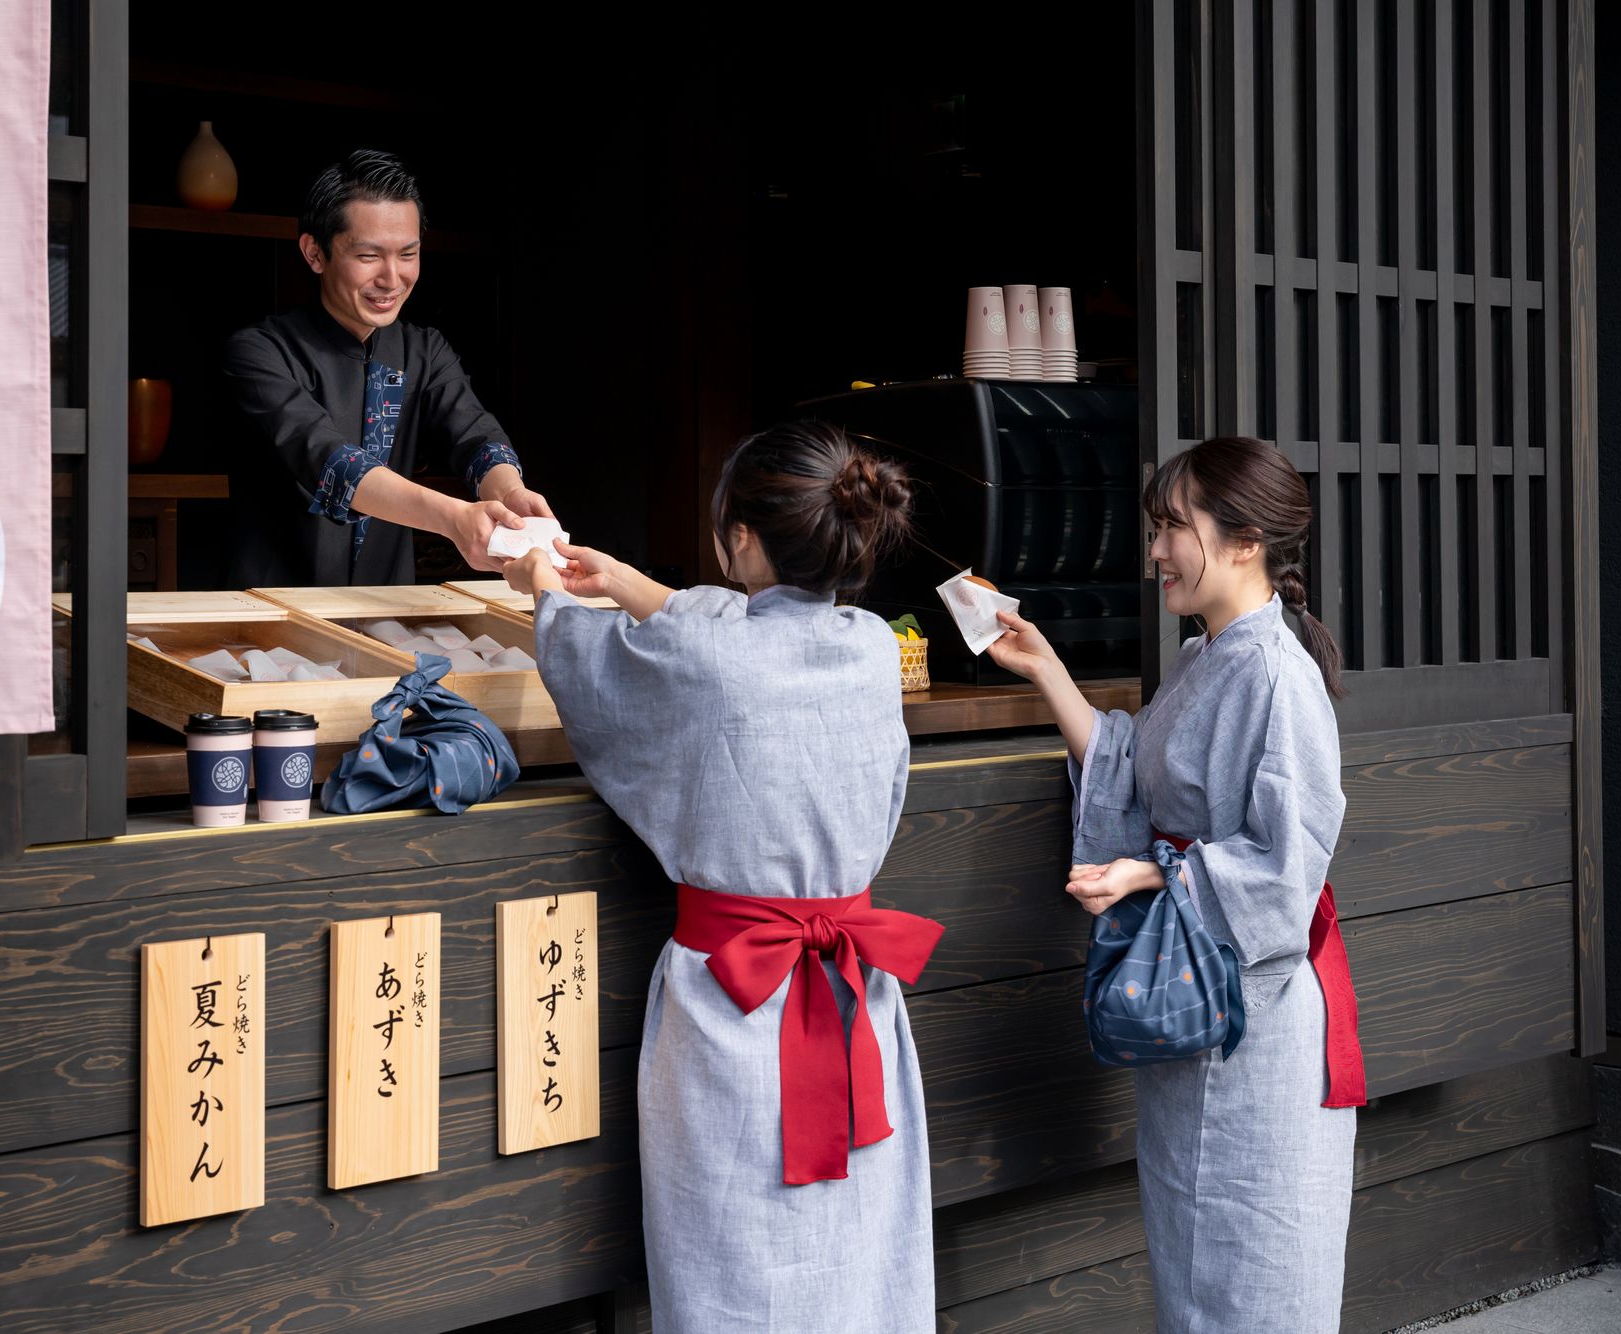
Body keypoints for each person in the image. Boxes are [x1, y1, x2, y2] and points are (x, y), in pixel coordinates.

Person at [502, 420, 942, 1332]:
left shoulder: (707, 657)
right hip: (858, 997)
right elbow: (741, 638)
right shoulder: (866, 648)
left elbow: (614, 662)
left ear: (739, 538)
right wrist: (628, 585)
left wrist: (545, 586)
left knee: (732, 1264)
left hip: (733, 1006)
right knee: (856, 1255)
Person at [986, 435, 1359, 1333]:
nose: (1154, 552)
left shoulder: (1275, 672)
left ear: (1245, 539)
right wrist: (1045, 669)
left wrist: (1153, 870)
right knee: (1198, 1262)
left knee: (1258, 1275)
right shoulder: (1206, 659)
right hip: (1202, 1007)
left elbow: (1290, 860)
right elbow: (1127, 765)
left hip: (1255, 1021)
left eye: (1172, 528)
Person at [220, 149, 548, 587]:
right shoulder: (260, 353)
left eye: (408, 254)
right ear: (315, 253)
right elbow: (330, 460)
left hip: (385, 613)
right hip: (271, 614)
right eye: (369, 256)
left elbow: (476, 436)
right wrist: (454, 518)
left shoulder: (425, 351)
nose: (392, 279)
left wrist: (511, 495)